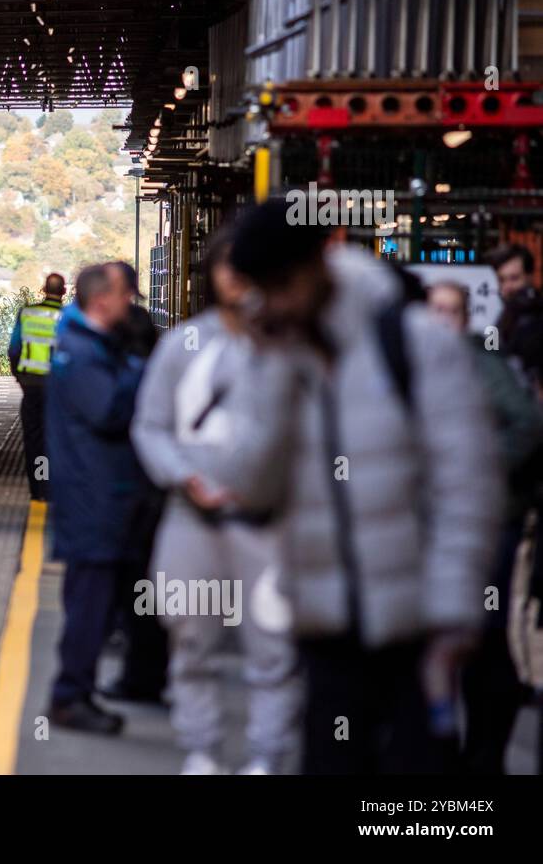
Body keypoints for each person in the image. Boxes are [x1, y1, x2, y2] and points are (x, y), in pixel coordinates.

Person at [209, 201, 500, 775]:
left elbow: (468, 486)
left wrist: (455, 612)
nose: (280, 300)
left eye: (285, 282)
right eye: (266, 289)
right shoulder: (274, 356)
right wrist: (266, 371)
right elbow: (251, 486)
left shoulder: (413, 344)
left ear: (321, 261)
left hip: (418, 627)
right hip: (324, 626)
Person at [131, 230, 300, 774]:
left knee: (273, 648)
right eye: (225, 265)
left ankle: (265, 756)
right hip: (192, 519)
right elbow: (151, 426)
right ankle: (202, 751)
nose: (234, 275)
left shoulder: (289, 346)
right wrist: (183, 477)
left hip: (268, 522)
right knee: (191, 639)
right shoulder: (182, 345)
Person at [427, 280, 543, 773]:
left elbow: (525, 425)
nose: (442, 321)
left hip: (490, 521)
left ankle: (479, 756)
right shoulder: (414, 366)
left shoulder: (481, 365)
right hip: (435, 523)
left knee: (482, 637)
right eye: (434, 310)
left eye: (451, 311)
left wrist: (478, 468)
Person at [45, 262, 144, 734]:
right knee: (90, 602)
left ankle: (75, 692)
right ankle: (70, 696)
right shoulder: (83, 353)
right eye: (127, 294)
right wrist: (140, 374)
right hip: (92, 495)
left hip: (97, 492)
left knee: (94, 600)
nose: (133, 302)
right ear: (102, 300)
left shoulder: (87, 345)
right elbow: (107, 409)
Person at [102, 268, 169, 706]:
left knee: (127, 574)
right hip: (156, 492)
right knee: (147, 581)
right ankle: (147, 667)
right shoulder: (161, 369)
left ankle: (138, 670)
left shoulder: (125, 377)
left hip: (129, 491)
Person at [8, 273, 65, 500]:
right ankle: (50, 486)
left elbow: (14, 349)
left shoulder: (27, 313)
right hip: (58, 388)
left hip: (31, 386)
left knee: (34, 438)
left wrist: (19, 377)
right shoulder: (68, 318)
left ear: (43, 290)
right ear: (63, 292)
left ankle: (37, 488)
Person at [488, 243, 543, 394]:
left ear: (530, 277)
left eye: (514, 278)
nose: (508, 287)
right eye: (502, 280)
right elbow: (490, 359)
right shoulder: (497, 322)